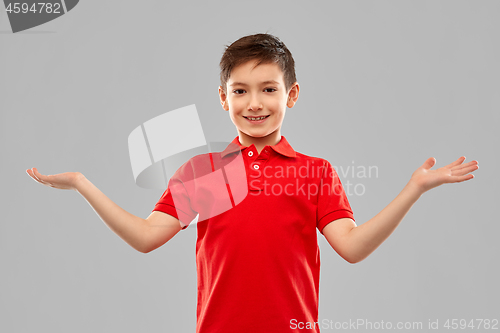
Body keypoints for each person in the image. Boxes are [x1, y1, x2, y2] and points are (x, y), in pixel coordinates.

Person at [26, 33, 479, 333]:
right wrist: (83, 184)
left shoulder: (316, 171)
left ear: (292, 95)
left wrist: (414, 188)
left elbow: (353, 248)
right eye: (240, 90)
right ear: (223, 98)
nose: (254, 103)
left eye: (269, 88)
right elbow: (146, 238)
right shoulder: (203, 172)